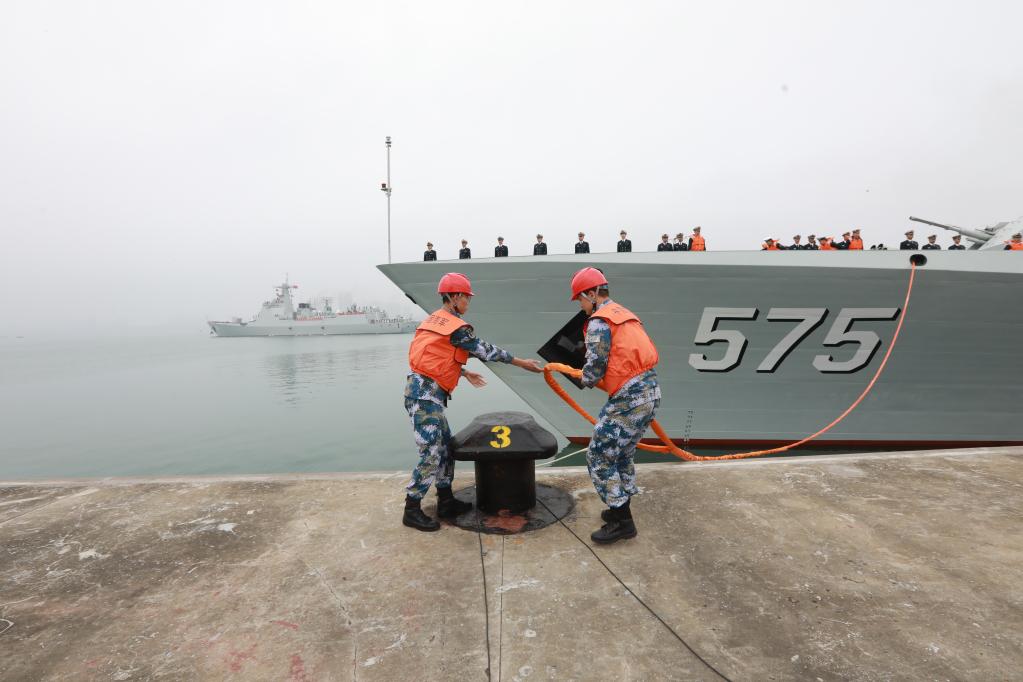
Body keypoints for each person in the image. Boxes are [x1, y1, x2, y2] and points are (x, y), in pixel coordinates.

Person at [402, 273, 544, 531]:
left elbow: (429, 356)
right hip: (425, 397)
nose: (468, 302)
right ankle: (412, 507)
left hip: (423, 393)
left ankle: (446, 501)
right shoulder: (457, 327)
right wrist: (520, 362)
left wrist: (463, 373)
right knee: (432, 453)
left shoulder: (432, 322)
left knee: (445, 447)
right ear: (455, 297)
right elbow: (485, 350)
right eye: (466, 297)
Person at [565, 267, 660, 544]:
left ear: (592, 294)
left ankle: (623, 521)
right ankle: (621, 509)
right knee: (622, 453)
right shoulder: (625, 314)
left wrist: (578, 377)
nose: (581, 307)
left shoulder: (598, 321)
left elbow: (593, 369)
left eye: (581, 300)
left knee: (597, 455)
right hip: (650, 392)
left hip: (629, 398)